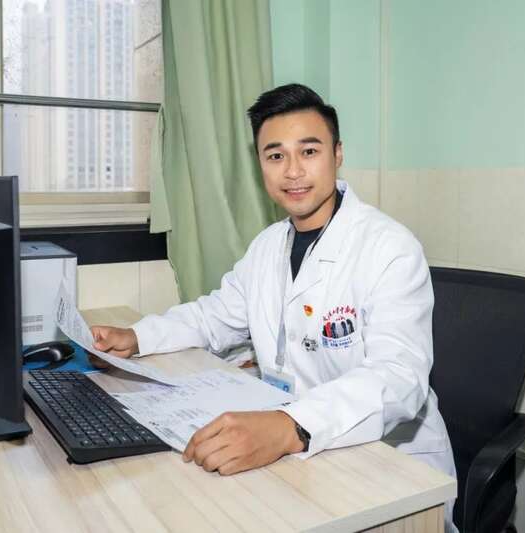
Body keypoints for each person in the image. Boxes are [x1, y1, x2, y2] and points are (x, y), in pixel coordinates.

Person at [90, 84, 458, 532]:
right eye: (276, 155)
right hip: (298, 454)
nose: (293, 171)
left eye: (309, 151)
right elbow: (216, 315)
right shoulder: (268, 246)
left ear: (338, 154)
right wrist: (138, 336)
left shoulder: (389, 248)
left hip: (390, 465)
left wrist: (290, 426)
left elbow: (399, 378)